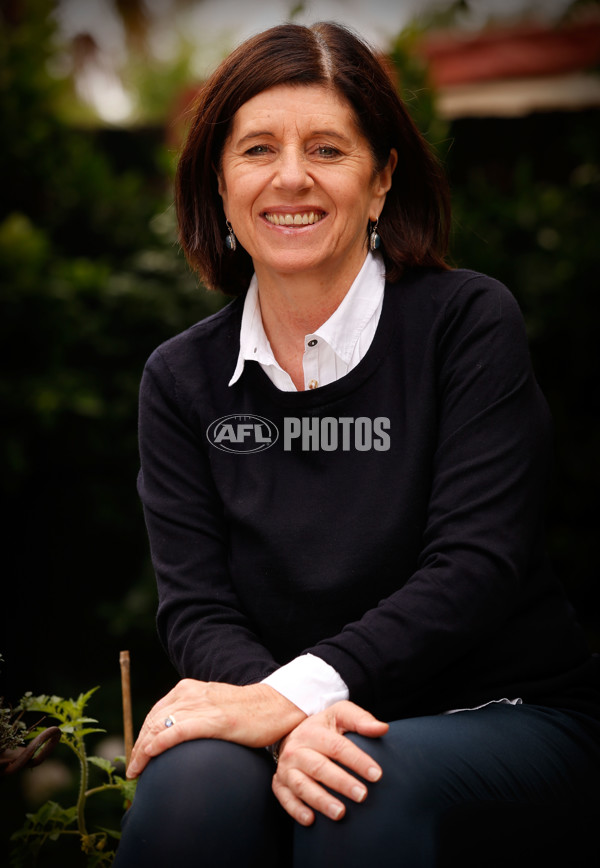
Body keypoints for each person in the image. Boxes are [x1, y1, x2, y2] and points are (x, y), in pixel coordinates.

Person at [114, 21, 600, 868]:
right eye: (258, 148)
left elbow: (475, 566)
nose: (290, 176)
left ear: (380, 181)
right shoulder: (179, 380)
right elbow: (197, 608)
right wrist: (285, 718)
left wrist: (286, 701)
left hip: (499, 713)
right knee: (187, 790)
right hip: (286, 718)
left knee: (356, 790)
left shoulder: (466, 325)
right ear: (220, 185)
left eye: (328, 149)